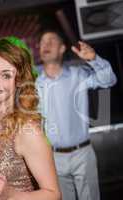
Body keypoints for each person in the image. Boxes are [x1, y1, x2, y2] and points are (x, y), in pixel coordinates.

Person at [0, 36, 61, 200]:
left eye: (5, 76)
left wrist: (10, 194)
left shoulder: (27, 131)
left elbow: (54, 194)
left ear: (19, 81)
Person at [36, 29, 117, 200]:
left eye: (51, 40)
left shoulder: (78, 74)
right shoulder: (35, 84)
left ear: (62, 48)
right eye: (43, 42)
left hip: (82, 154)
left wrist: (94, 60)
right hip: (53, 158)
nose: (46, 44)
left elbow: (109, 79)